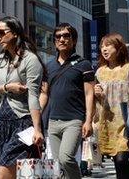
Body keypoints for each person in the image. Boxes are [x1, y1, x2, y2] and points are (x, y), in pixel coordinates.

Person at [0, 16, 44, 179]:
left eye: (1, 33)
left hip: (24, 123)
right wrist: (7, 87)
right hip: (2, 122)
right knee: (9, 172)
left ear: (15, 33)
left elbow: (34, 95)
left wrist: (37, 129)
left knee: (3, 172)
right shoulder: (1, 59)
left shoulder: (31, 60)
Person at [46, 23, 95, 179]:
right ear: (54, 41)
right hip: (53, 121)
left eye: (66, 36)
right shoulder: (48, 66)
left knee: (66, 158)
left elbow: (89, 94)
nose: (62, 39)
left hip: (74, 120)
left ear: (74, 41)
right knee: (58, 164)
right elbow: (44, 94)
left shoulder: (83, 64)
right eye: (58, 36)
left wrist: (88, 121)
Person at [94, 33, 129, 179]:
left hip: (126, 121)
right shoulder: (100, 72)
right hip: (108, 122)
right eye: (102, 46)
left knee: (121, 159)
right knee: (116, 160)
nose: (104, 49)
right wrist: (98, 93)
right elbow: (98, 101)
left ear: (119, 47)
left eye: (108, 45)